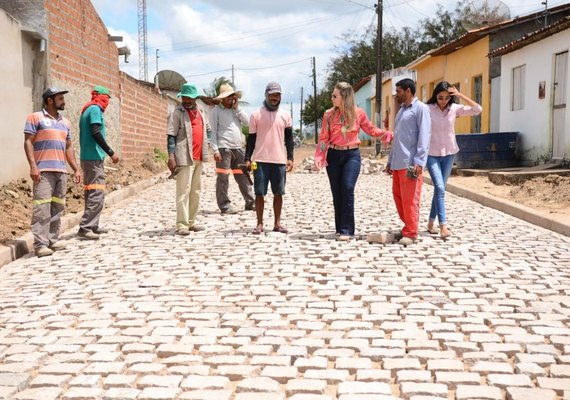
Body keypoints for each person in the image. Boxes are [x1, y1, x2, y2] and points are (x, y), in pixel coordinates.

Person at [314, 82, 392, 241]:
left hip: (352, 156)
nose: (332, 98)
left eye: (335, 96)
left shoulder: (358, 113)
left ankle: (347, 230)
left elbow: (370, 129)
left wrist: (387, 135)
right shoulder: (328, 115)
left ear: (344, 97)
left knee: (347, 188)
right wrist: (319, 157)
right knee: (337, 193)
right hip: (334, 156)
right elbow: (323, 138)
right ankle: (339, 228)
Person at [23, 88, 82, 257]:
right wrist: (33, 166)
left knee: (57, 207)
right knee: (42, 208)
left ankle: (52, 240)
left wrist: (76, 169)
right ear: (50, 100)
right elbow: (28, 142)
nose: (63, 101)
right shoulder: (35, 118)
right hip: (43, 172)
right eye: (60, 98)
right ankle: (40, 244)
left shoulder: (65, 122)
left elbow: (68, 147)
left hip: (61, 171)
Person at [426, 81, 482, 239]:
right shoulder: (428, 109)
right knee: (439, 186)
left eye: (446, 98)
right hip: (431, 154)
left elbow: (478, 109)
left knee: (440, 188)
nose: (443, 101)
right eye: (440, 97)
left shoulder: (455, 109)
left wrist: (460, 95)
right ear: (435, 96)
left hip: (450, 152)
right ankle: (443, 225)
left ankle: (430, 222)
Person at [385, 78, 431, 246]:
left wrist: (419, 162)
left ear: (408, 91)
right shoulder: (401, 111)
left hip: (411, 163)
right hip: (398, 162)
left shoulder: (421, 109)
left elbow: (424, 137)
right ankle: (407, 227)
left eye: (398, 91)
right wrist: (390, 161)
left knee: (410, 199)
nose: (396, 94)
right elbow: (397, 139)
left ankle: (411, 232)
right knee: (399, 198)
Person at [245, 81, 294, 235]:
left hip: (279, 161)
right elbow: (251, 140)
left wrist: (290, 158)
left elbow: (289, 140)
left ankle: (277, 223)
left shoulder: (285, 115)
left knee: (279, 193)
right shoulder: (256, 115)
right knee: (259, 193)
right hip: (260, 161)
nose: (275, 98)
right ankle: (259, 224)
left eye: (277, 95)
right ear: (266, 95)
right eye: (272, 94)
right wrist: (248, 158)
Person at [167, 83, 211, 236]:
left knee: (196, 191)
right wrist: (171, 156)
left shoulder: (201, 111)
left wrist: (209, 144)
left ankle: (192, 221)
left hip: (199, 156)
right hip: (184, 156)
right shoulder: (177, 112)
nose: (186, 100)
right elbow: (171, 135)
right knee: (183, 191)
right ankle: (182, 224)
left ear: (195, 98)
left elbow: (209, 131)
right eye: (184, 97)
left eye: (189, 98)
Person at [78, 85, 120, 240]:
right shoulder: (95, 109)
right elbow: (96, 132)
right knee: (97, 192)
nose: (107, 102)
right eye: (107, 98)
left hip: (88, 157)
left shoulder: (87, 109)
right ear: (100, 97)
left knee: (91, 192)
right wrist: (111, 152)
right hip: (93, 157)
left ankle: (92, 225)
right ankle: (86, 227)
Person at [210, 82, 255, 214]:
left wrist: (237, 108)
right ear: (222, 98)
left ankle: (250, 202)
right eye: (228, 98)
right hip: (224, 149)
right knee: (223, 178)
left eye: (232, 97)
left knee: (243, 176)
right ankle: (224, 205)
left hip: (239, 148)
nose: (230, 100)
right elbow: (212, 132)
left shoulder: (236, 110)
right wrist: (215, 150)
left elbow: (248, 123)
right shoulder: (215, 111)